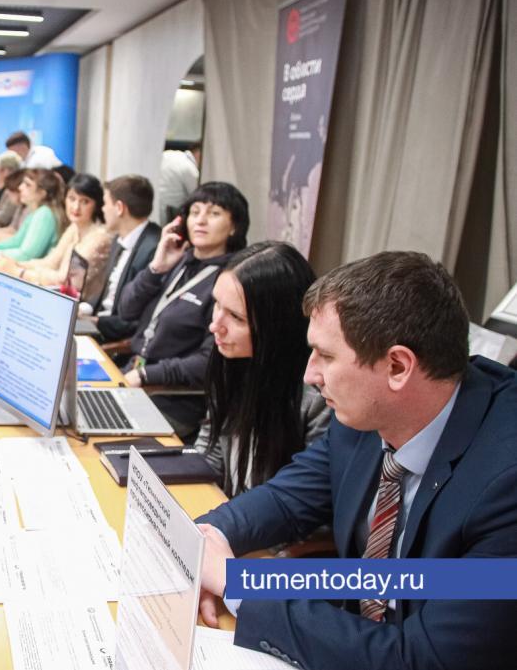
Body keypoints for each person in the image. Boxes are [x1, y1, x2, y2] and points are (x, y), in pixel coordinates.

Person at [196, 251, 517, 670]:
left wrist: (238, 583)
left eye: (326, 356)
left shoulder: (505, 483)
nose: (310, 375)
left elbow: (421, 658)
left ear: (397, 366)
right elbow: (287, 499)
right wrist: (206, 541)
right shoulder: (368, 413)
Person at [195, 241, 329, 497]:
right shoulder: (231, 360)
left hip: (263, 519)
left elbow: (305, 498)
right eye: (217, 305)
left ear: (277, 324)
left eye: (236, 317)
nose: (215, 326)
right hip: (227, 509)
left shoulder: (317, 394)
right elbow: (210, 448)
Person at [118, 181, 250, 439]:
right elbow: (126, 310)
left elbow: (210, 360)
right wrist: (157, 268)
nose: (200, 220)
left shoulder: (230, 281)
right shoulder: (179, 261)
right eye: (195, 212)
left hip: (169, 399)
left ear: (234, 226)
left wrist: (146, 374)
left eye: (214, 213)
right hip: (133, 376)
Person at [0, 173, 113, 303]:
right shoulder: (75, 227)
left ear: (96, 205)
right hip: (64, 299)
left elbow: (64, 280)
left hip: (82, 307)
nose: (76, 207)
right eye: (72, 199)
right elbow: (50, 262)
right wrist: (15, 264)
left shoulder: (98, 237)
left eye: (85, 201)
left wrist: (19, 272)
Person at [81, 174, 162, 343]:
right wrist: (83, 309)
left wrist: (95, 322)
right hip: (99, 322)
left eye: (105, 203)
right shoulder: (120, 238)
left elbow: (139, 320)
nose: (102, 209)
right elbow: (107, 292)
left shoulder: (155, 249)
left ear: (119, 208)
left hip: (116, 336)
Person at [0, 168, 66, 261]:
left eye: (28, 185)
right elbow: (16, 241)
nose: (20, 187)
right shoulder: (36, 212)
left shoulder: (44, 214)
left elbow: (27, 255)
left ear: (42, 193)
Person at [154, 141, 200, 226]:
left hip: (151, 209)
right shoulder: (190, 168)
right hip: (169, 217)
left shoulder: (169, 154)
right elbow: (198, 198)